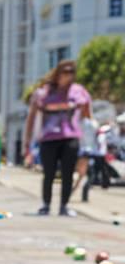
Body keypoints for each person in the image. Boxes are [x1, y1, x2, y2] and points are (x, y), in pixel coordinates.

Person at [23, 59, 91, 216]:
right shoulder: (45, 92)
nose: (68, 75)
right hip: (49, 137)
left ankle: (64, 206)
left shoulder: (78, 91)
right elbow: (32, 117)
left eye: (71, 72)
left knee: (68, 173)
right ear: (58, 73)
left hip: (71, 136)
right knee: (49, 173)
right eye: (65, 71)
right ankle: (46, 204)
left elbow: (87, 115)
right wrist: (27, 141)